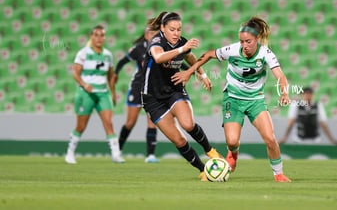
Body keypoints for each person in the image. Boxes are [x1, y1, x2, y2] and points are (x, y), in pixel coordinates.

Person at [172, 16, 291, 182]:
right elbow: (208, 55)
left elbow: (280, 76)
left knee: (270, 138)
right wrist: (189, 71)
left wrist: (284, 93)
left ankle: (278, 173)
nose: (244, 45)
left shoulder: (266, 53)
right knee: (232, 141)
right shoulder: (233, 50)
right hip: (232, 99)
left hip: (255, 100)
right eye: (242, 41)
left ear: (257, 39)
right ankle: (233, 153)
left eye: (248, 41)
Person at [141, 11, 222, 181]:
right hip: (153, 99)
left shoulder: (182, 43)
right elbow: (158, 57)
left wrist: (203, 75)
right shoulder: (156, 42)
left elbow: (192, 59)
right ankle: (203, 170)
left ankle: (210, 150)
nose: (176, 33)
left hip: (174, 89)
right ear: (162, 28)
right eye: (172, 29)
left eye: (179, 29)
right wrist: (182, 48)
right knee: (179, 140)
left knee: (187, 123)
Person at [65, 25, 125, 164]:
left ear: (104, 37)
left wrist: (113, 92)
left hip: (103, 93)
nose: (99, 38)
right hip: (86, 93)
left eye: (102, 35)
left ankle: (116, 154)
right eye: (96, 35)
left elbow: (110, 75)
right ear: (91, 37)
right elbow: (75, 73)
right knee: (81, 126)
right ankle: (70, 152)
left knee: (109, 123)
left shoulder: (108, 55)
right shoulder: (83, 53)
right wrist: (85, 84)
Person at [111, 26, 161, 163]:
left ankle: (150, 155)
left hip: (152, 89)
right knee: (130, 122)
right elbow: (122, 62)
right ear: (145, 35)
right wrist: (115, 74)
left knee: (152, 121)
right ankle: (118, 151)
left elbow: (177, 62)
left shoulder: (162, 47)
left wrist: (192, 70)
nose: (153, 35)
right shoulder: (138, 48)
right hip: (137, 87)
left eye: (156, 33)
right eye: (151, 33)